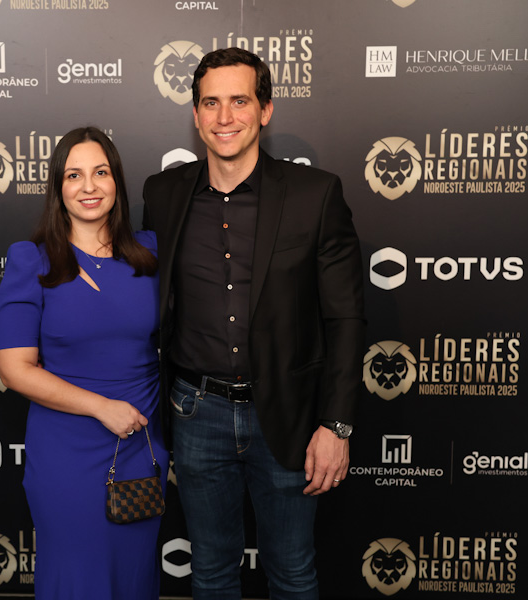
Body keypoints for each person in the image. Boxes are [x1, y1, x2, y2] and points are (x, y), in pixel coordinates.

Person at [142, 48, 365, 599]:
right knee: (211, 571)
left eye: (239, 101)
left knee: (292, 571)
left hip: (289, 416)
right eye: (210, 103)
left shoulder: (315, 195)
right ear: (195, 115)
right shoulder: (162, 195)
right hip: (195, 412)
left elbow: (345, 318)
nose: (225, 117)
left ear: (265, 110)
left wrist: (336, 426)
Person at [0, 126, 168, 600]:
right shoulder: (32, 261)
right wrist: (100, 407)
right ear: (58, 186)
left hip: (140, 447)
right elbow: (13, 368)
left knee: (133, 580)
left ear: (117, 182)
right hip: (66, 454)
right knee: (77, 580)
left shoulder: (151, 253)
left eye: (100, 172)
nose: (89, 186)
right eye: (74, 175)